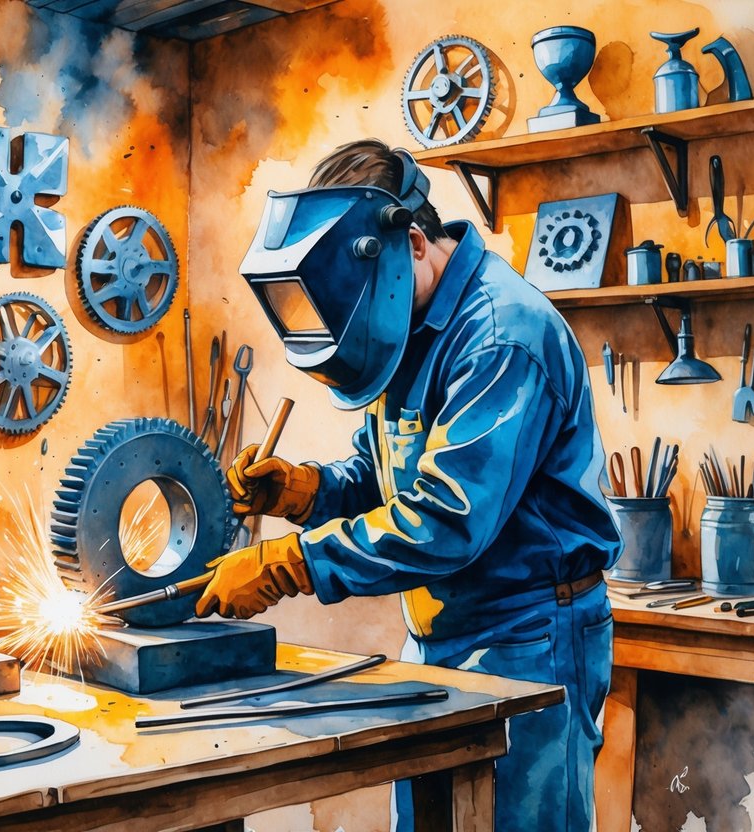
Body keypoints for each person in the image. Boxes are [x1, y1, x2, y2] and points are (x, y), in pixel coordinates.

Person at [195, 139, 622, 832]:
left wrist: (290, 564)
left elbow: (447, 520)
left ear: (413, 243)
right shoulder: (411, 325)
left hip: (530, 634)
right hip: (439, 630)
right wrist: (302, 491)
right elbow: (378, 476)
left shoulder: (499, 337)